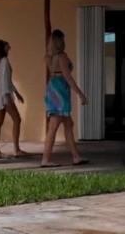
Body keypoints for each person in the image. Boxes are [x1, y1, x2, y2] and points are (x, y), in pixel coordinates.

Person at [41, 29, 88, 167]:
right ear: (60, 41)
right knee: (54, 126)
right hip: (60, 91)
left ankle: (76, 157)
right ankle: (45, 159)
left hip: (53, 89)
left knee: (68, 124)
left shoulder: (49, 57)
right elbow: (68, 76)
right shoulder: (61, 57)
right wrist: (80, 94)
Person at [0, 39, 28, 158]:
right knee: (17, 119)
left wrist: (16, 93)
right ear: (3, 48)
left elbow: (5, 80)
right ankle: (16, 149)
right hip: (4, 95)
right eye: (7, 45)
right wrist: (7, 97)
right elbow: (5, 82)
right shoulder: (5, 61)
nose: (9, 46)